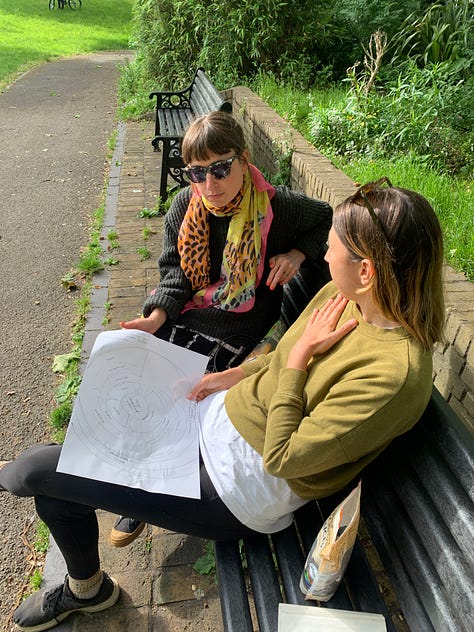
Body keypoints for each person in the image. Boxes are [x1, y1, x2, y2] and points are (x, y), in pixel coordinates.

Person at [0, 179, 445, 631]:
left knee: (32, 472)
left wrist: (296, 361)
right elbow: (280, 359)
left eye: (331, 249)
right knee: (60, 468)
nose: (324, 256)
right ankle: (87, 589)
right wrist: (230, 376)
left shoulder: (394, 374)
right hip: (212, 420)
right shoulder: (348, 295)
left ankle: (87, 587)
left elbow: (283, 456)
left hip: (234, 488)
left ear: (367, 270)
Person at [111, 111, 332, 546]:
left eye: (220, 168)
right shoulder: (185, 206)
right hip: (193, 310)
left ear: (244, 159)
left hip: (242, 326)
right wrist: (158, 314)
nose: (209, 183)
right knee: (143, 370)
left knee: (184, 386)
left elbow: (324, 217)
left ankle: (149, 489)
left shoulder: (278, 207)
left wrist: (297, 257)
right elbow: (174, 270)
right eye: (196, 172)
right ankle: (136, 485)